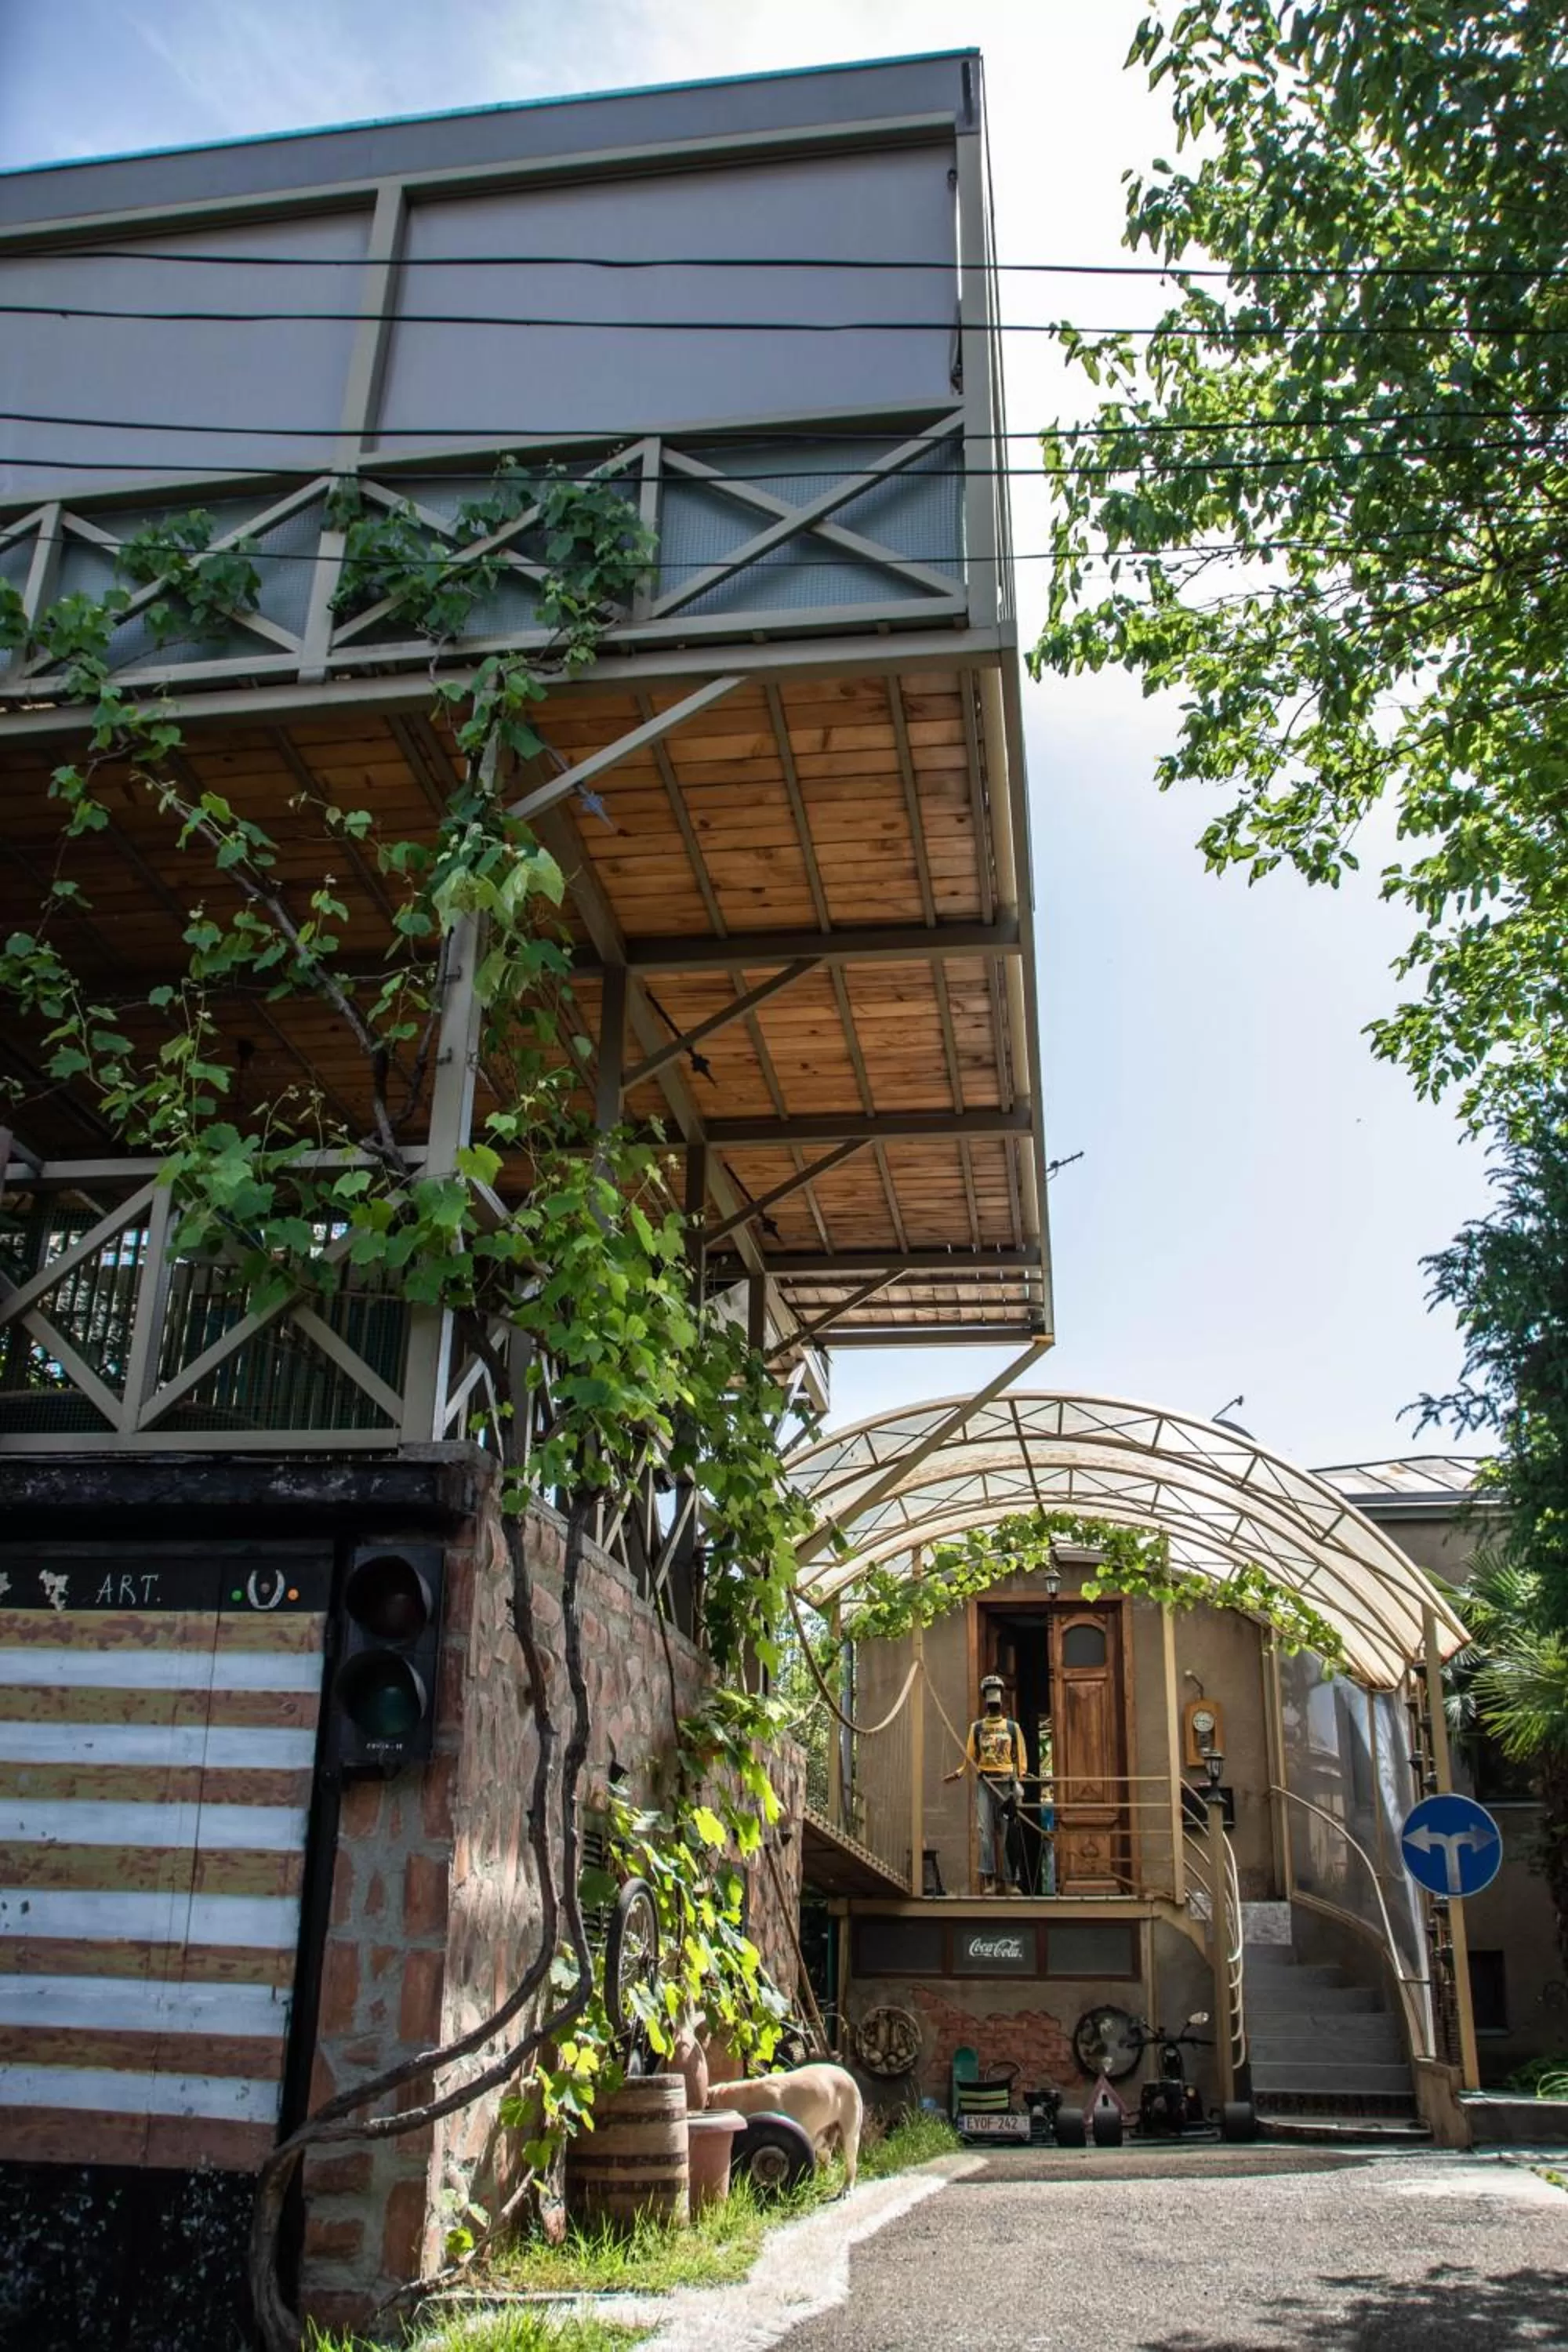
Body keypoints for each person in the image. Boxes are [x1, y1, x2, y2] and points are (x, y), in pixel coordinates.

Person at [945, 1671, 1028, 1894]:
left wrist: (1019, 1781)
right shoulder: (977, 1728)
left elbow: (1020, 1756)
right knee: (985, 1832)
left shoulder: (1012, 1727)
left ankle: (1011, 1881)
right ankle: (989, 1879)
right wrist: (960, 1773)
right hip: (985, 1782)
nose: (994, 1703)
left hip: (1006, 1783)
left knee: (1009, 1832)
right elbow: (970, 1756)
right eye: (990, 1698)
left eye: (996, 1697)